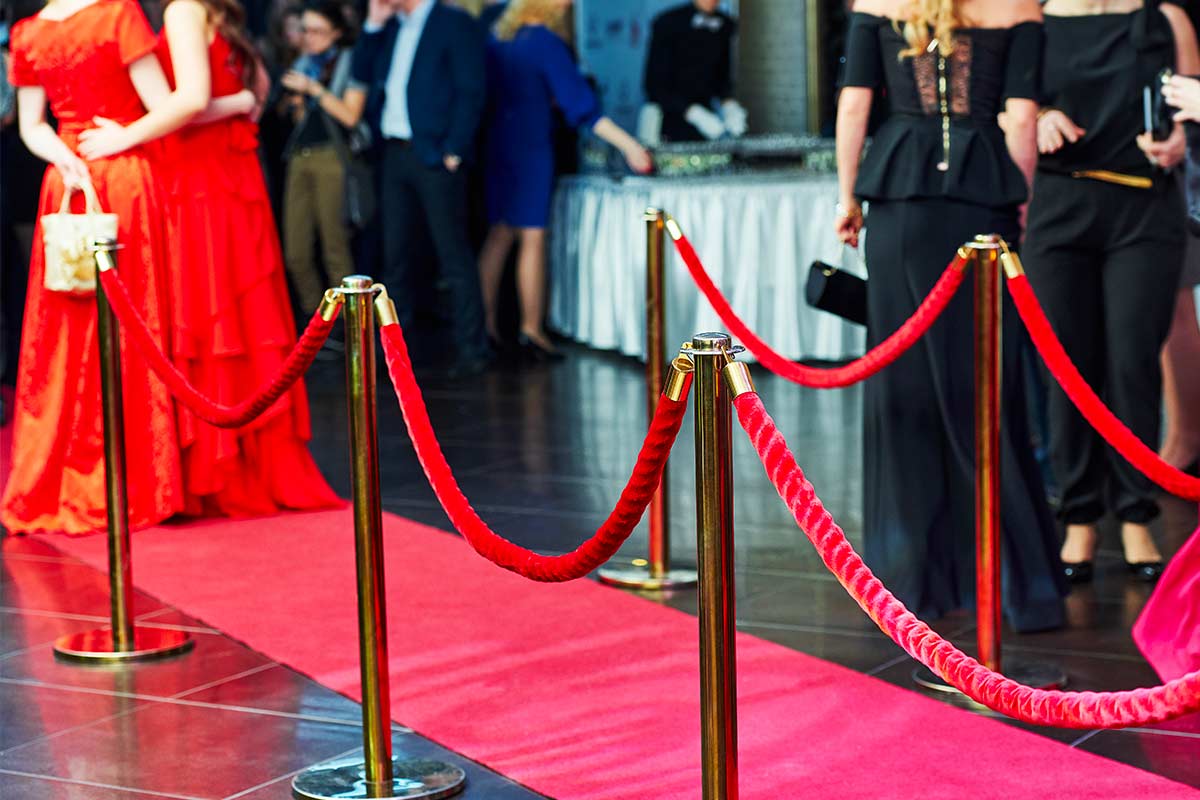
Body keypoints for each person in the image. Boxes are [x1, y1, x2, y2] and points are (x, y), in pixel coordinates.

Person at [835, 0, 1067, 631]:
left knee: (904, 386)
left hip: (899, 202)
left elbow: (855, 106)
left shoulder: (876, 5)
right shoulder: (1017, 8)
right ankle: (1020, 587)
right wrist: (1018, 206)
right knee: (988, 390)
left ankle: (910, 581)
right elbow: (1019, 121)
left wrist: (847, 197)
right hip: (981, 200)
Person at [77, 0, 341, 517]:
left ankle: (216, 469)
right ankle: (238, 460)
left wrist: (125, 135)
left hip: (198, 178)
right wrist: (242, 98)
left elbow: (195, 99)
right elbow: (246, 90)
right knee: (231, 316)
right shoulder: (218, 16)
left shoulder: (182, 10)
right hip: (224, 172)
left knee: (209, 311)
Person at [1024, 0, 1199, 584]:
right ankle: (1078, 516)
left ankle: (1134, 512)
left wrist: (1178, 141)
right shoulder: (1038, 19)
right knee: (1067, 367)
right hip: (1061, 209)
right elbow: (1010, 102)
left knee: (1132, 364)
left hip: (1144, 211)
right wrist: (1041, 116)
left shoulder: (1166, 19)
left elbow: (1189, 113)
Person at [1, 0, 185, 534]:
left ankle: (67, 476)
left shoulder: (31, 32)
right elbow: (167, 105)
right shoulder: (115, 15)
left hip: (71, 179)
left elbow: (31, 125)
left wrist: (64, 157)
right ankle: (133, 478)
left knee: (64, 331)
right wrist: (118, 139)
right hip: (117, 176)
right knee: (125, 325)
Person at [477, 0, 651, 360]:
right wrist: (630, 145)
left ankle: (485, 327)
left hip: (496, 144)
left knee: (499, 234)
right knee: (533, 236)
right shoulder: (544, 42)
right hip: (530, 147)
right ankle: (531, 330)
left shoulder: (500, 37)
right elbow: (582, 107)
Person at [351, 0, 491, 378]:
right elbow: (361, 74)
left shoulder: (452, 22)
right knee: (394, 256)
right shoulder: (391, 26)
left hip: (435, 155)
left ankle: (473, 349)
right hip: (394, 153)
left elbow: (471, 89)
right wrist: (372, 26)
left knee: (453, 254)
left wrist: (455, 149)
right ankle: (397, 353)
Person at [277, 0, 366, 326]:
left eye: (317, 31)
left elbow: (350, 116)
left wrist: (312, 89)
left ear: (337, 33)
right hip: (300, 157)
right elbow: (293, 117)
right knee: (296, 252)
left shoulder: (348, 61)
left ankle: (349, 330)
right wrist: (294, 101)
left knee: (335, 248)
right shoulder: (302, 62)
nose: (309, 38)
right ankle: (320, 326)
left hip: (333, 157)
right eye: (305, 30)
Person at [642, 0, 746, 143]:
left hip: (706, 120)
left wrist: (729, 106)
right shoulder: (668, 22)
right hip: (667, 119)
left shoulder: (725, 25)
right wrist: (693, 113)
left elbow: (722, 76)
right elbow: (654, 86)